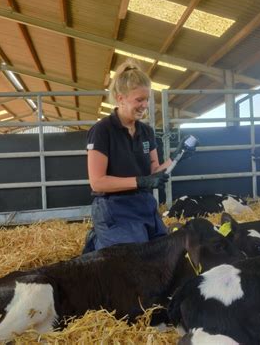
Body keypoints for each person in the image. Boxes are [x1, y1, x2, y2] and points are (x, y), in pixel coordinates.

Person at [82, 59, 195, 253]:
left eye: (147, 99)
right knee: (134, 256)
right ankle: (98, 241)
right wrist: (140, 181)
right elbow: (97, 182)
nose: (145, 105)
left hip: (143, 204)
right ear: (120, 99)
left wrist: (177, 156)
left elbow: (154, 173)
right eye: (139, 100)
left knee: (164, 252)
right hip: (113, 206)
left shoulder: (146, 132)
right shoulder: (102, 130)